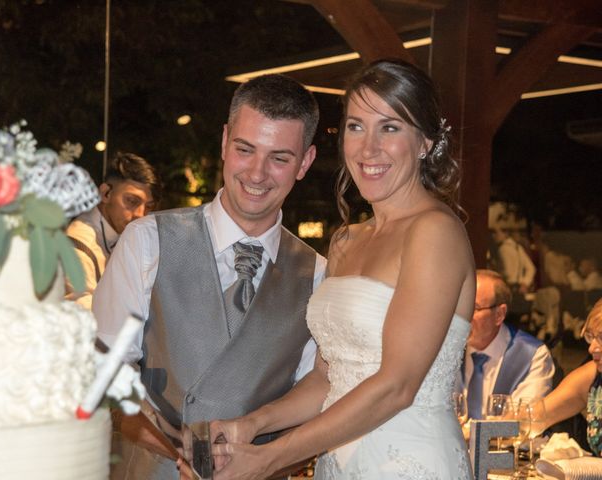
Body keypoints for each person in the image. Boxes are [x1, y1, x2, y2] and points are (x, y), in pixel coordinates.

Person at [211, 59, 476, 479]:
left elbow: (396, 386)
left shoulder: (435, 232)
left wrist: (271, 458)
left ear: (425, 142)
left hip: (408, 464)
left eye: (389, 128)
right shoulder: (345, 241)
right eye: (356, 127)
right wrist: (253, 425)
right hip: (338, 463)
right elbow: (325, 380)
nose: (368, 148)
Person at [92, 74, 326, 479]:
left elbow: (313, 403)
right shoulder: (148, 240)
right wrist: (181, 450)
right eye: (245, 149)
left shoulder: (318, 275)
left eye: (279, 158)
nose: (257, 173)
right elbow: (105, 375)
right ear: (224, 143)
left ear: (304, 162)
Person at [65, 151, 161, 309]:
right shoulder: (78, 244)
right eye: (131, 201)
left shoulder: (123, 235)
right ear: (105, 193)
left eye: (148, 207)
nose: (140, 214)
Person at [458, 270, 555, 420]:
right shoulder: (445, 349)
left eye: (473, 308)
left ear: (499, 315)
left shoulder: (532, 355)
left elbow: (521, 422)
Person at [537, 299, 602, 456]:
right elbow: (533, 418)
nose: (591, 347)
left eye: (601, 337)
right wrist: (475, 431)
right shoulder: (591, 376)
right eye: (590, 337)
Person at [492, 227, 536, 293]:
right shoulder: (517, 248)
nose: (493, 236)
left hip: (508, 287)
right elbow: (531, 268)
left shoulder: (503, 249)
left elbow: (507, 272)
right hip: (519, 287)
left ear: (505, 234)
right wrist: (525, 283)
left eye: (495, 232)